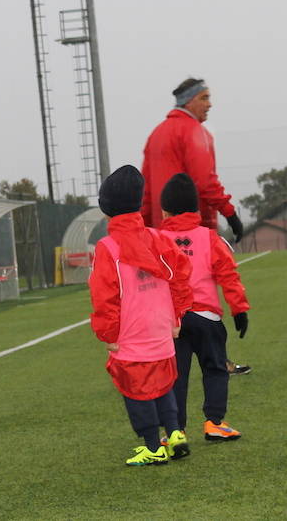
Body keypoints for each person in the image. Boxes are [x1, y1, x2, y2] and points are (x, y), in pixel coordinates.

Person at [88, 165, 194, 466]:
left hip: (129, 329)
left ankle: (152, 446)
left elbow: (104, 294)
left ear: (106, 208)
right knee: (162, 380)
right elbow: (180, 276)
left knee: (136, 387)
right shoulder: (157, 238)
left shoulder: (107, 247)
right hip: (160, 324)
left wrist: (108, 333)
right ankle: (174, 434)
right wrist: (177, 316)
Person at [158, 173, 250, 441]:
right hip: (207, 317)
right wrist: (239, 310)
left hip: (173, 321)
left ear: (164, 210)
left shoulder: (156, 239)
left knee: (175, 376)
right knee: (215, 369)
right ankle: (215, 422)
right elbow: (229, 276)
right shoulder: (210, 239)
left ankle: (176, 431)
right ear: (196, 208)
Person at [140, 78, 243, 243]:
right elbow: (205, 182)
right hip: (193, 229)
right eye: (204, 98)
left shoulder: (156, 134)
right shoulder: (195, 132)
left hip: (161, 233)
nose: (209, 104)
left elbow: (145, 190)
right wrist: (230, 213)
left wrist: (143, 225)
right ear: (188, 102)